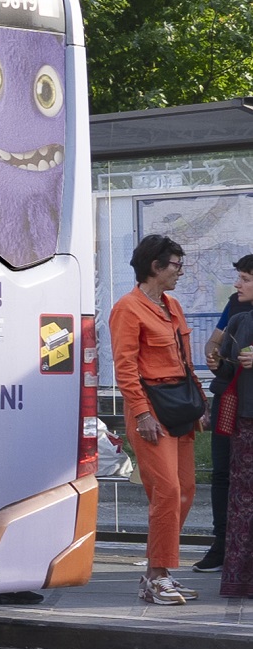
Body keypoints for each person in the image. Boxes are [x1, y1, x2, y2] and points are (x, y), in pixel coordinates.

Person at [111, 234, 202, 605]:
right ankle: (159, 575)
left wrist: (199, 403)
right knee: (166, 491)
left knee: (185, 490)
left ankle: (155, 574)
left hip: (181, 406)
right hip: (151, 410)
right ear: (155, 266)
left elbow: (184, 358)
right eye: (176, 265)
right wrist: (142, 412)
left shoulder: (172, 305)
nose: (180, 272)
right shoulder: (128, 308)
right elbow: (125, 367)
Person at [197, 255, 253, 572]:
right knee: (222, 473)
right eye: (238, 277)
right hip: (229, 398)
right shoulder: (235, 305)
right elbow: (214, 342)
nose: (237, 284)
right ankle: (222, 544)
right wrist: (213, 354)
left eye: (245, 278)